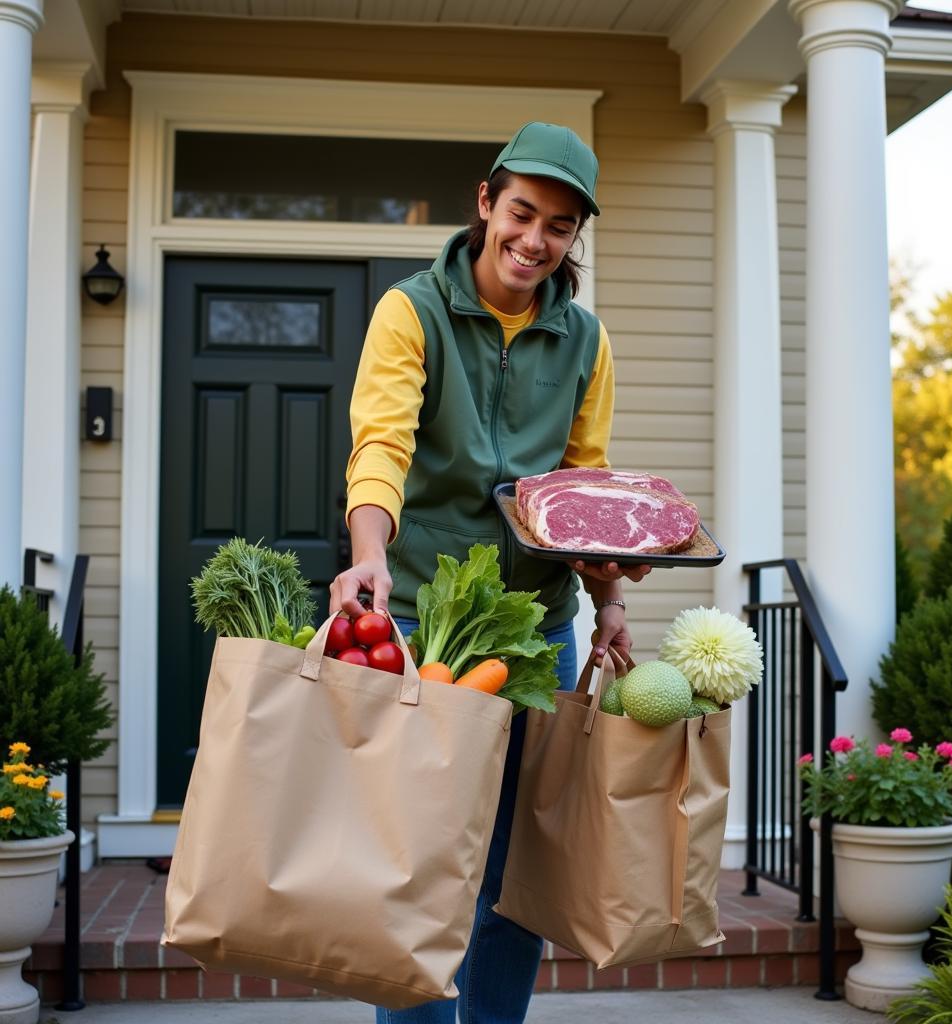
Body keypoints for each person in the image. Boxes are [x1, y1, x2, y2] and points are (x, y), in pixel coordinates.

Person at [329, 121, 650, 1024]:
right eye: (522, 213)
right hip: (428, 625)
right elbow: (382, 443)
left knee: (512, 874)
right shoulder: (412, 311)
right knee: (422, 863)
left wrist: (611, 596)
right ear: (485, 202)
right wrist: (367, 557)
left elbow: (583, 485)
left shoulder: (585, 342)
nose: (534, 240)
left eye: (558, 226)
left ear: (574, 236)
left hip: (537, 630)